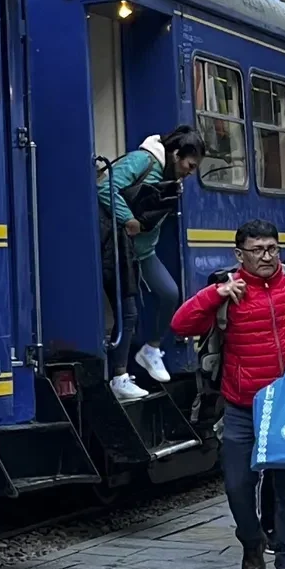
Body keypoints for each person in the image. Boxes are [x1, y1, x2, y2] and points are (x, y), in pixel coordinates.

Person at [171, 218, 285, 569]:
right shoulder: (227, 289)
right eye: (258, 250)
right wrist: (217, 294)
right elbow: (180, 324)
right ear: (239, 254)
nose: (267, 256)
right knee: (237, 486)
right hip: (243, 406)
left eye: (272, 249)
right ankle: (250, 539)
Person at [98, 127, 207, 401]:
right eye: (189, 165)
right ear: (174, 154)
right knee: (129, 310)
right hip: (119, 248)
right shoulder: (141, 161)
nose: (190, 171)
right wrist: (127, 219)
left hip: (143, 252)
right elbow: (104, 187)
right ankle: (119, 376)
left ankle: (151, 349)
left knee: (170, 294)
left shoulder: (171, 177)